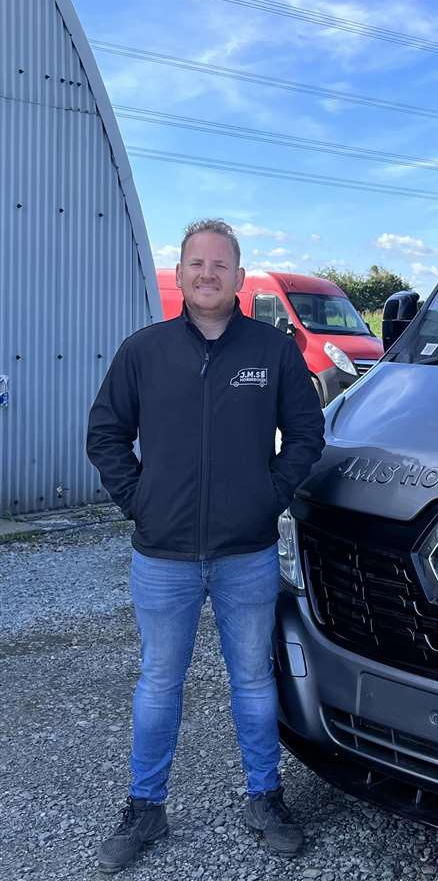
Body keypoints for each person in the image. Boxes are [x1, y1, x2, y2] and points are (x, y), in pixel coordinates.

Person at [87, 219, 325, 873]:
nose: (207, 274)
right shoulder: (145, 352)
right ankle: (146, 807)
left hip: (244, 553)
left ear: (240, 278)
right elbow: (105, 433)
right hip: (161, 557)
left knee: (252, 679)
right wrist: (139, 500)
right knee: (159, 682)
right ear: (181, 272)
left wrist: (267, 497)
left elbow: (307, 435)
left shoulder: (272, 353)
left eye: (220, 264)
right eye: (196, 263)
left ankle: (264, 797)